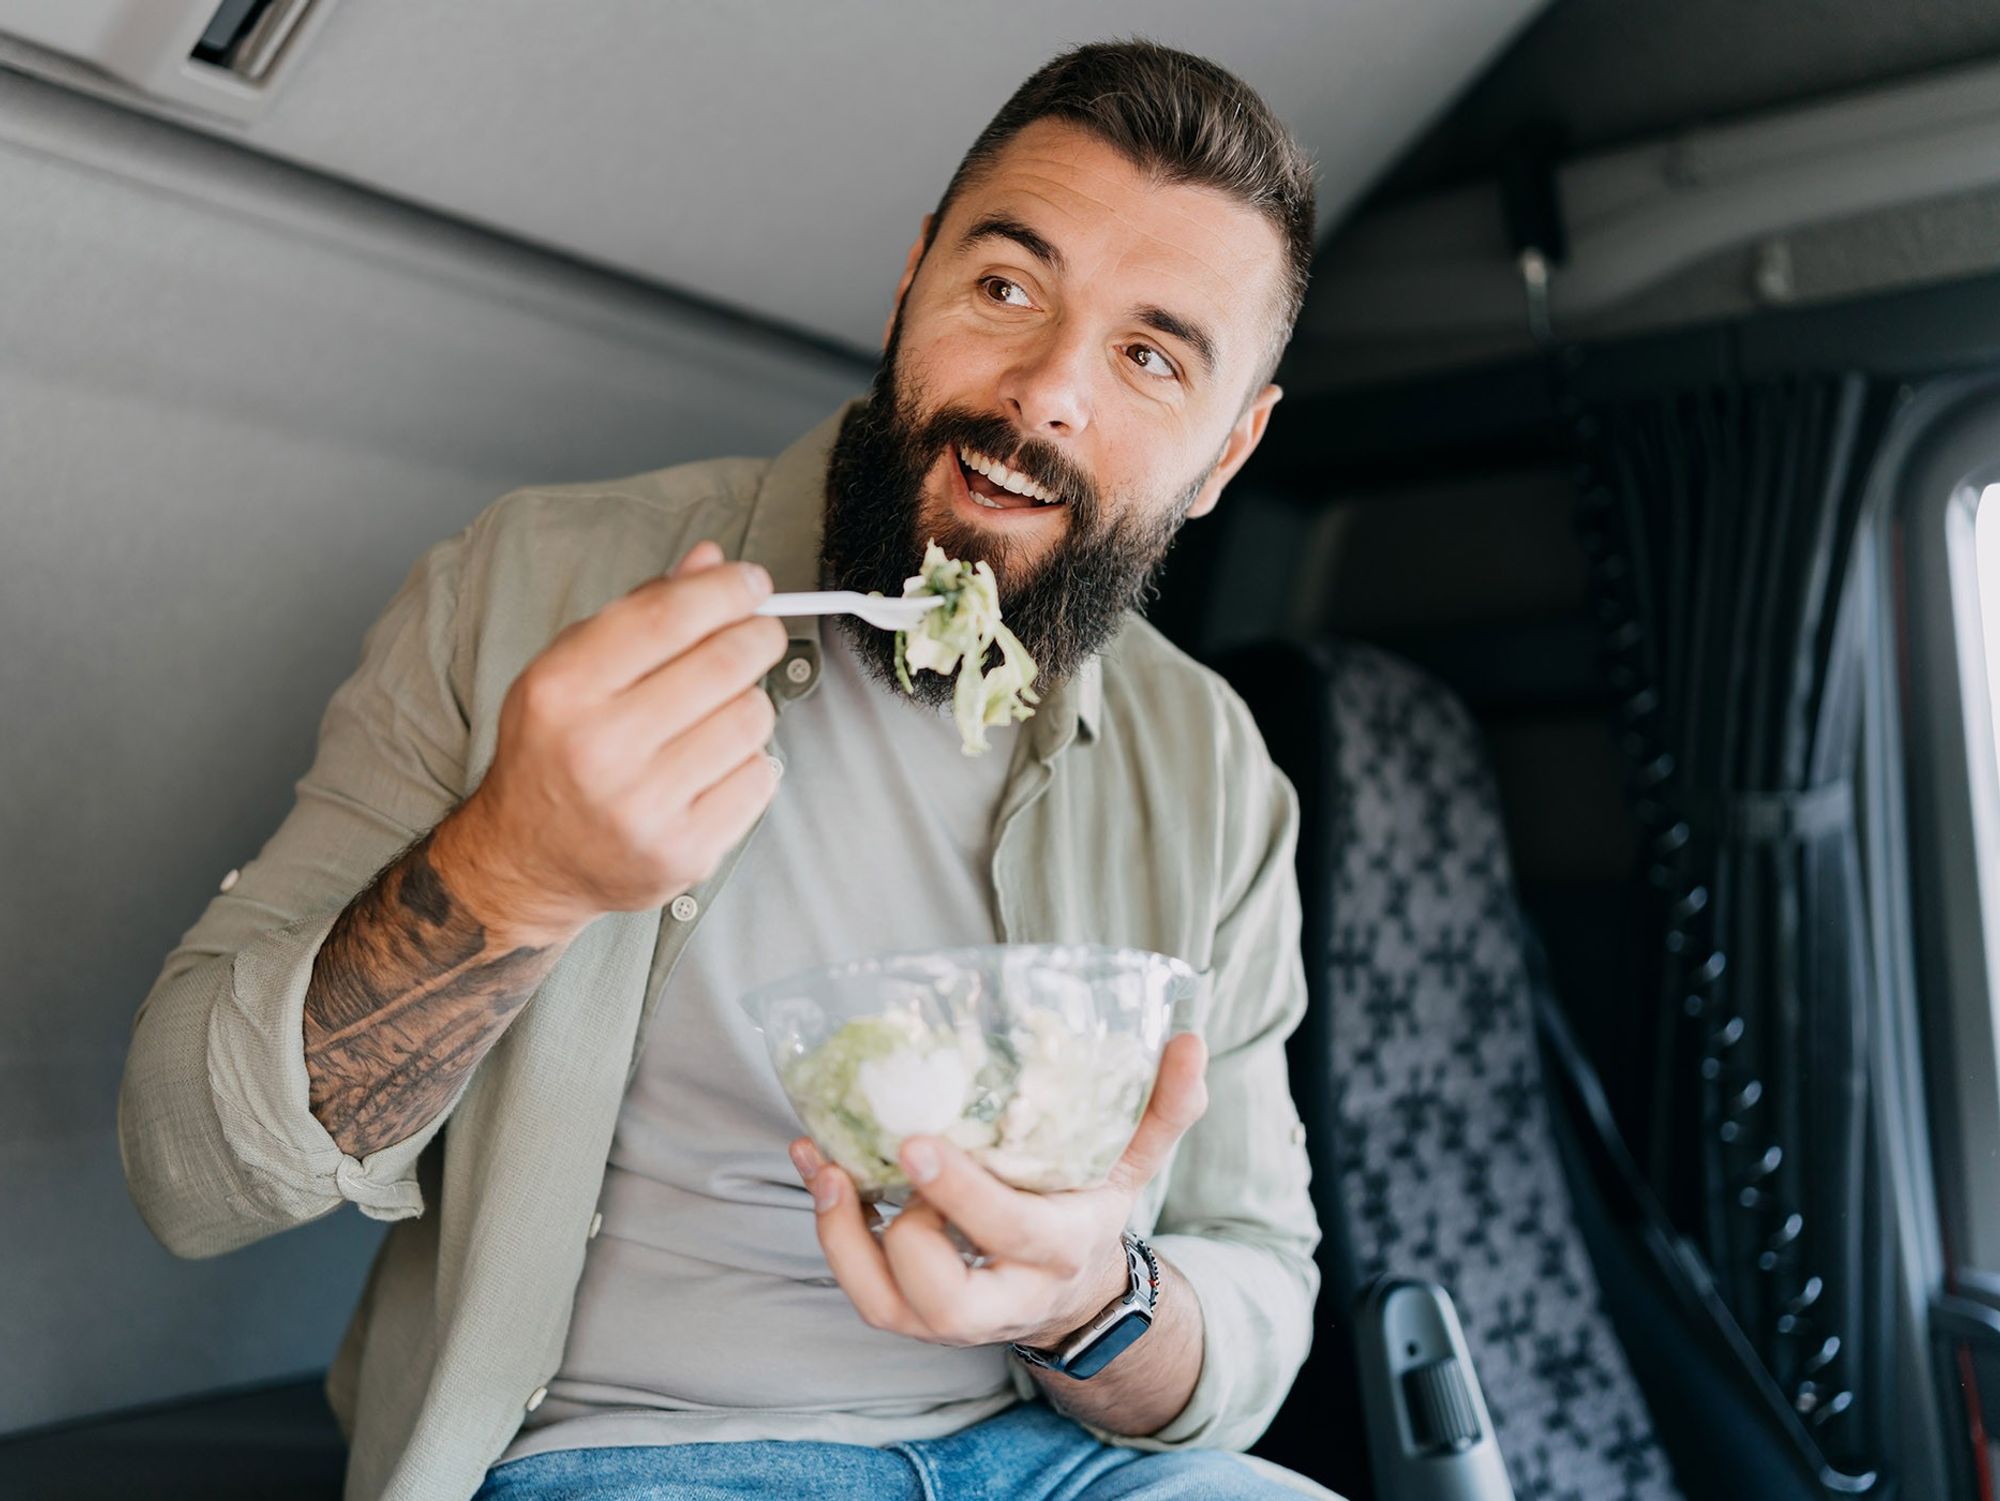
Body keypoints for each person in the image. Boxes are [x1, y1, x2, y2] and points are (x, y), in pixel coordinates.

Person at [120, 37, 1330, 1501]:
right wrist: (513, 866)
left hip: (1062, 1461)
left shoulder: (1208, 764)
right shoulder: (528, 585)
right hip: (629, 1459)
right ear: (910, 288)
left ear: (1227, 453)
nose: (1045, 393)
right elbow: (188, 1171)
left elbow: (1259, 1290)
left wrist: (1095, 1297)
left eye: (1150, 356)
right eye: (1006, 287)